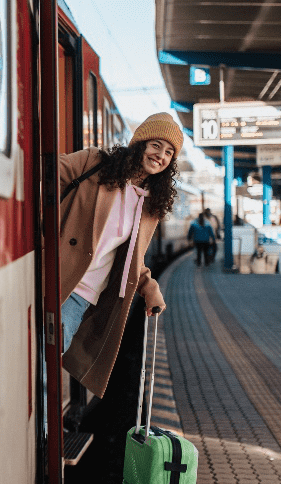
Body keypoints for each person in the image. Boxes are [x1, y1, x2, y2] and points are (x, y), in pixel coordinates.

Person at [57, 112, 178, 399]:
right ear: (140, 144)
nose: (160, 155)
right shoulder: (95, 163)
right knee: (32, 360)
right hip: (52, 274)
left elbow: (131, 259)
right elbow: (46, 174)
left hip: (81, 296)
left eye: (169, 152)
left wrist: (150, 287)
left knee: (45, 363)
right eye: (156, 145)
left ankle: (40, 435)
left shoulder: (149, 205)